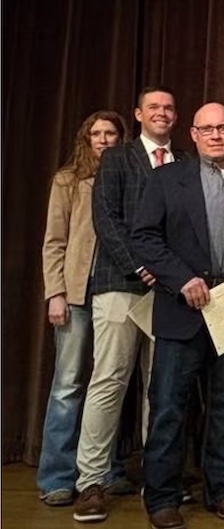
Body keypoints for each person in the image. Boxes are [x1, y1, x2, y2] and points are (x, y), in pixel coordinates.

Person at [132, 102, 224, 528]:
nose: (215, 135)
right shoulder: (166, 179)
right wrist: (181, 279)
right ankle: (162, 498)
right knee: (168, 407)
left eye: (222, 128)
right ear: (194, 135)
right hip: (183, 307)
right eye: (207, 129)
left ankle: (221, 490)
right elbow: (144, 237)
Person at [73, 86, 187, 523]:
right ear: (138, 114)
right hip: (120, 283)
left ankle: (158, 481)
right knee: (109, 381)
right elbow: (107, 219)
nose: (162, 113)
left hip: (170, 293)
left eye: (169, 107)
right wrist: (141, 266)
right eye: (154, 107)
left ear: (176, 116)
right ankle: (91, 482)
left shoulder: (185, 162)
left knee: (162, 388)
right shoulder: (117, 159)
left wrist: (172, 274)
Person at [38, 111, 128, 507]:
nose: (103, 139)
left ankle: (105, 470)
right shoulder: (68, 180)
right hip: (76, 294)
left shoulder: (128, 177)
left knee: (110, 382)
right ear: (86, 138)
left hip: (117, 289)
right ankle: (57, 476)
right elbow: (54, 241)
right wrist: (55, 293)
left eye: (110, 133)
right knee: (68, 384)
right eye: (96, 133)